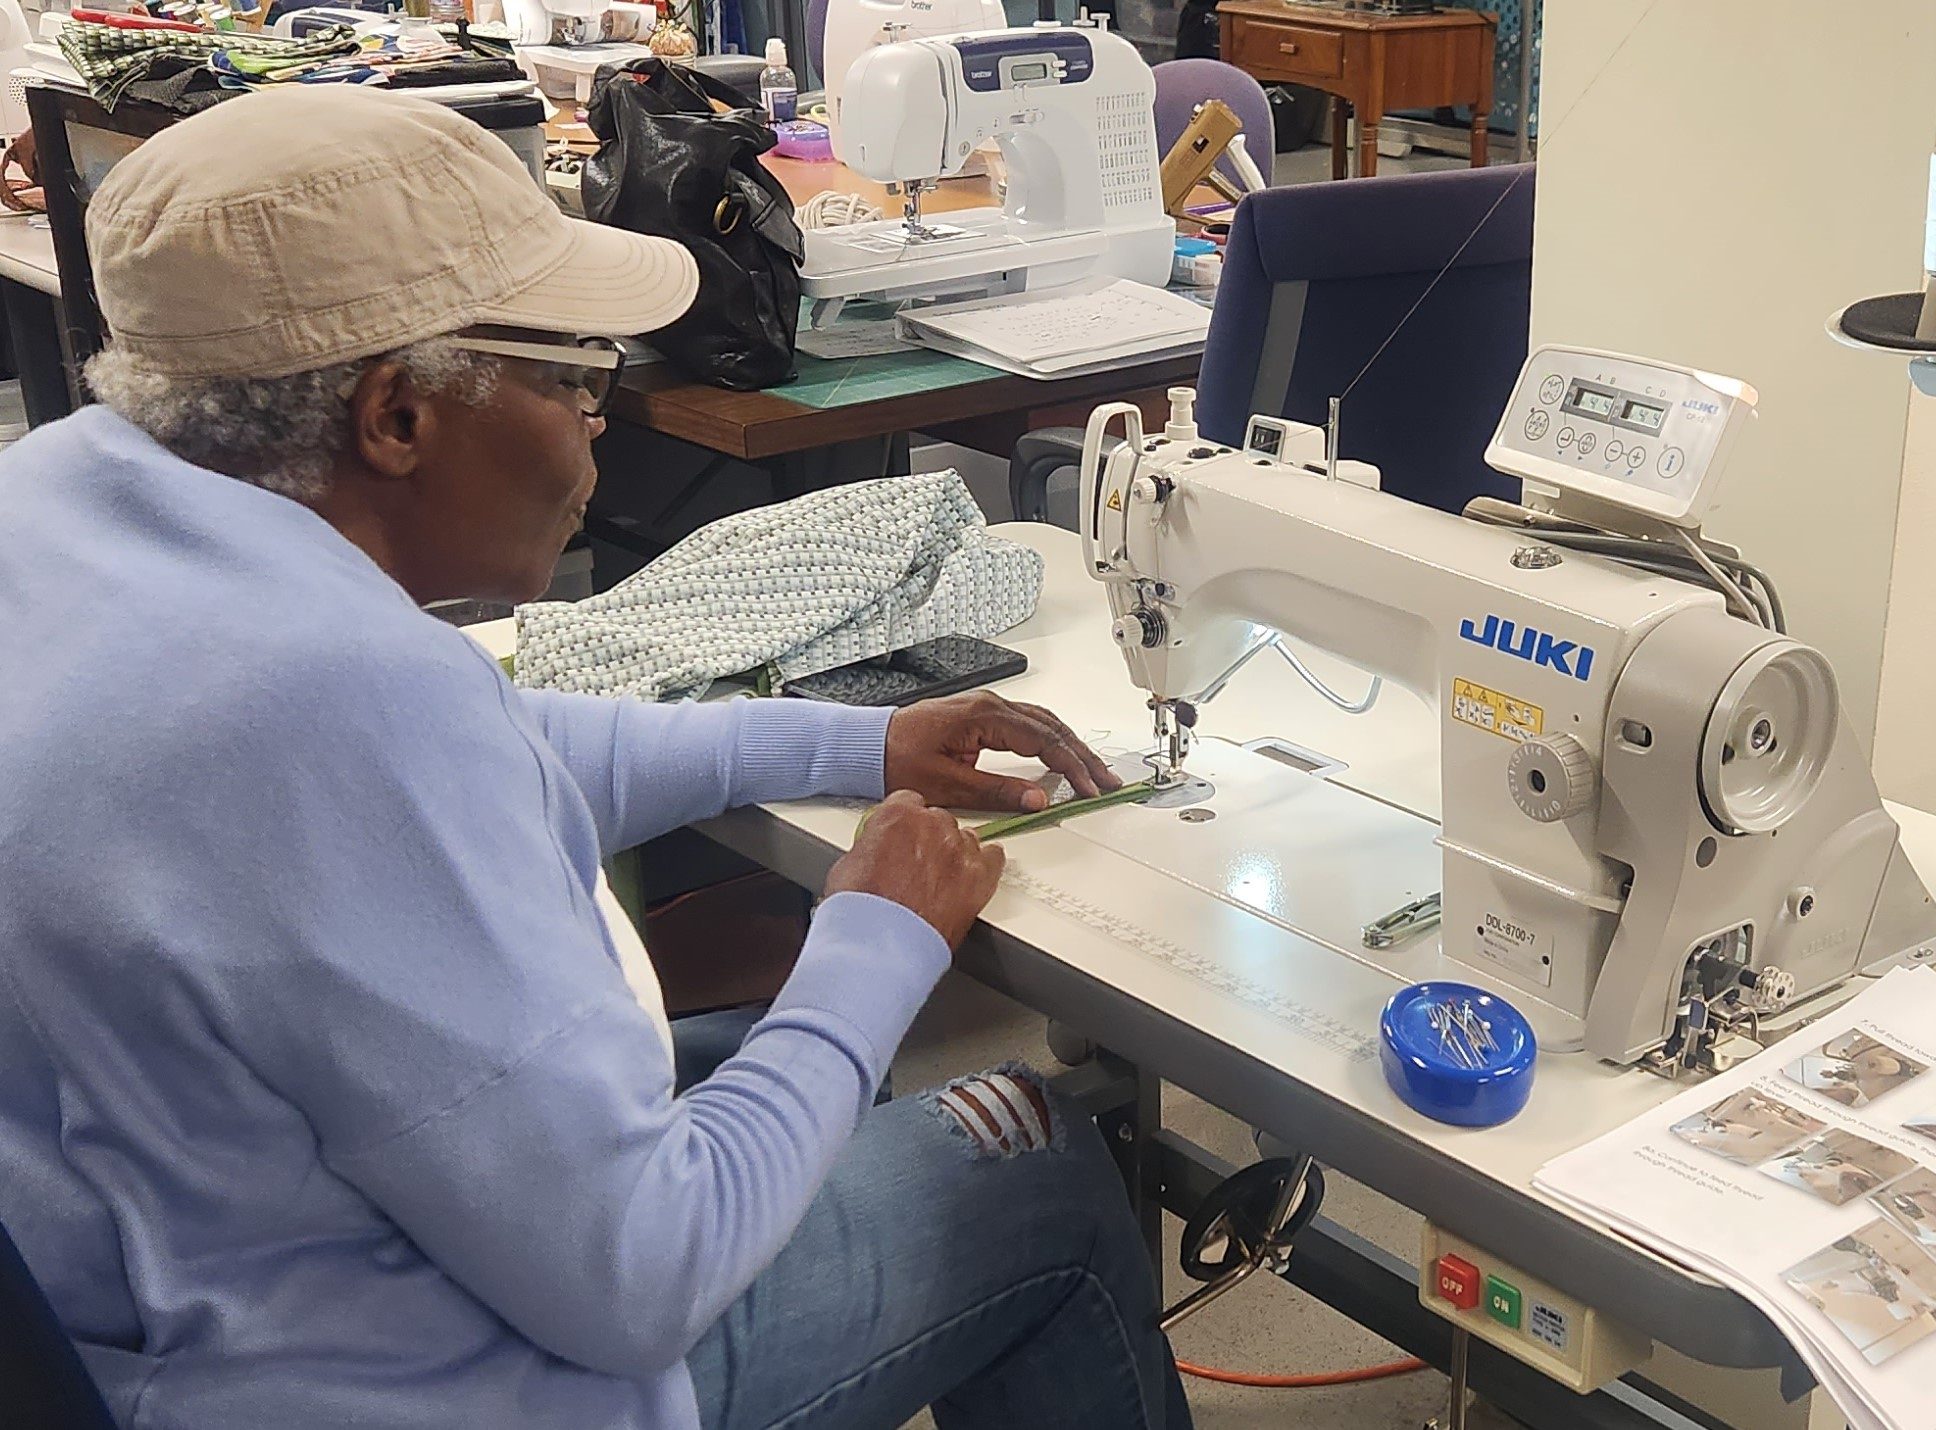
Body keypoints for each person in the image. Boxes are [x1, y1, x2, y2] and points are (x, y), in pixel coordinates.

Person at [0, 86, 1190, 1430]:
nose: (596, 426)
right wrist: (869, 933)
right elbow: (648, 1268)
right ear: (396, 416)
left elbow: (502, 737)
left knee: (778, 1058)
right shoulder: (329, 703)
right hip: (391, 1383)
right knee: (1031, 1152)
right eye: (576, 377)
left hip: (164, 1282)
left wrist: (857, 737)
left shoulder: (66, 510)